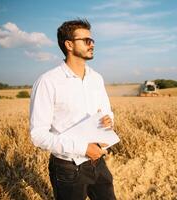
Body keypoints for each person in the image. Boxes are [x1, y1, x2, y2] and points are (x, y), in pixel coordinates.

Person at [29, 19, 116, 200]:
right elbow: (38, 135)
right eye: (86, 40)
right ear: (69, 44)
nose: (91, 44)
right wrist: (83, 148)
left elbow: (107, 112)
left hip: (97, 162)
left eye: (92, 40)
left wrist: (108, 121)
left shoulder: (96, 78)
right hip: (67, 168)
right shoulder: (48, 81)